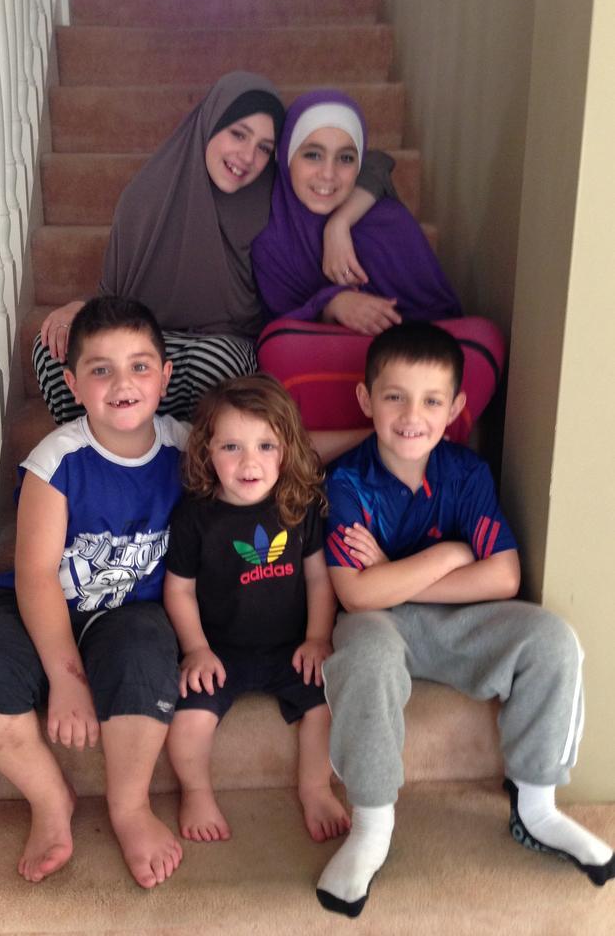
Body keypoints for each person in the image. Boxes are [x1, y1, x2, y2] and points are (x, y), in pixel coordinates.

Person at [315, 322, 614, 917]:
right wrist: (452, 553)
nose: (411, 415)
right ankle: (372, 824)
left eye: (431, 401)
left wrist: (399, 573)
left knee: (551, 638)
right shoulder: (346, 481)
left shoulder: (465, 472)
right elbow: (355, 595)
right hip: (380, 627)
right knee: (364, 653)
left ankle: (537, 805)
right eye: (394, 396)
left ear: (455, 409)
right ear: (365, 400)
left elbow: (503, 577)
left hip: (458, 622)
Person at [0, 296, 190, 889]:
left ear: (165, 377)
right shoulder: (57, 459)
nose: (123, 383)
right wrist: (66, 679)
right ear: (72, 383)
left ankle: (130, 807)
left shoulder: (187, 447)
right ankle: (49, 798)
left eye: (140, 366)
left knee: (147, 659)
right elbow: (38, 575)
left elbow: (269, 454)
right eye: (100, 369)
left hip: (128, 614)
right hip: (38, 606)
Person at [33, 74, 386, 426]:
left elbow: (375, 163)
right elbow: (115, 296)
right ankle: (106, 454)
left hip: (221, 345)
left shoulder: (274, 194)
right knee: (53, 353)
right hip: (140, 340)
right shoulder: (149, 194)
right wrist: (81, 310)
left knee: (219, 364)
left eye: (265, 147)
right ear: (210, 123)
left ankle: (183, 461)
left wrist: (339, 226)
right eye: (238, 133)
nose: (247, 156)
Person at [252, 89, 505, 443]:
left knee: (484, 338)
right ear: (286, 157)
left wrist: (389, 330)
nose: (328, 174)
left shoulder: (388, 221)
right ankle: (404, 443)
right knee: (274, 347)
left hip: (406, 363)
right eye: (312, 155)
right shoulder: (272, 236)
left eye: (345, 158)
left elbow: (440, 317)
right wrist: (332, 305)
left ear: (359, 165)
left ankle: (408, 442)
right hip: (332, 355)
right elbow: (280, 319)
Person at [163, 373, 350, 845]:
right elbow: (179, 590)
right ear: (206, 451)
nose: (250, 462)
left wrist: (317, 638)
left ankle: (314, 788)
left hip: (291, 647)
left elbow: (317, 577)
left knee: (324, 707)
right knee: (187, 720)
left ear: (288, 449)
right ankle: (197, 792)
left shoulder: (298, 505)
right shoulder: (195, 515)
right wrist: (196, 649)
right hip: (220, 650)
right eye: (231, 447)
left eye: (266, 446)